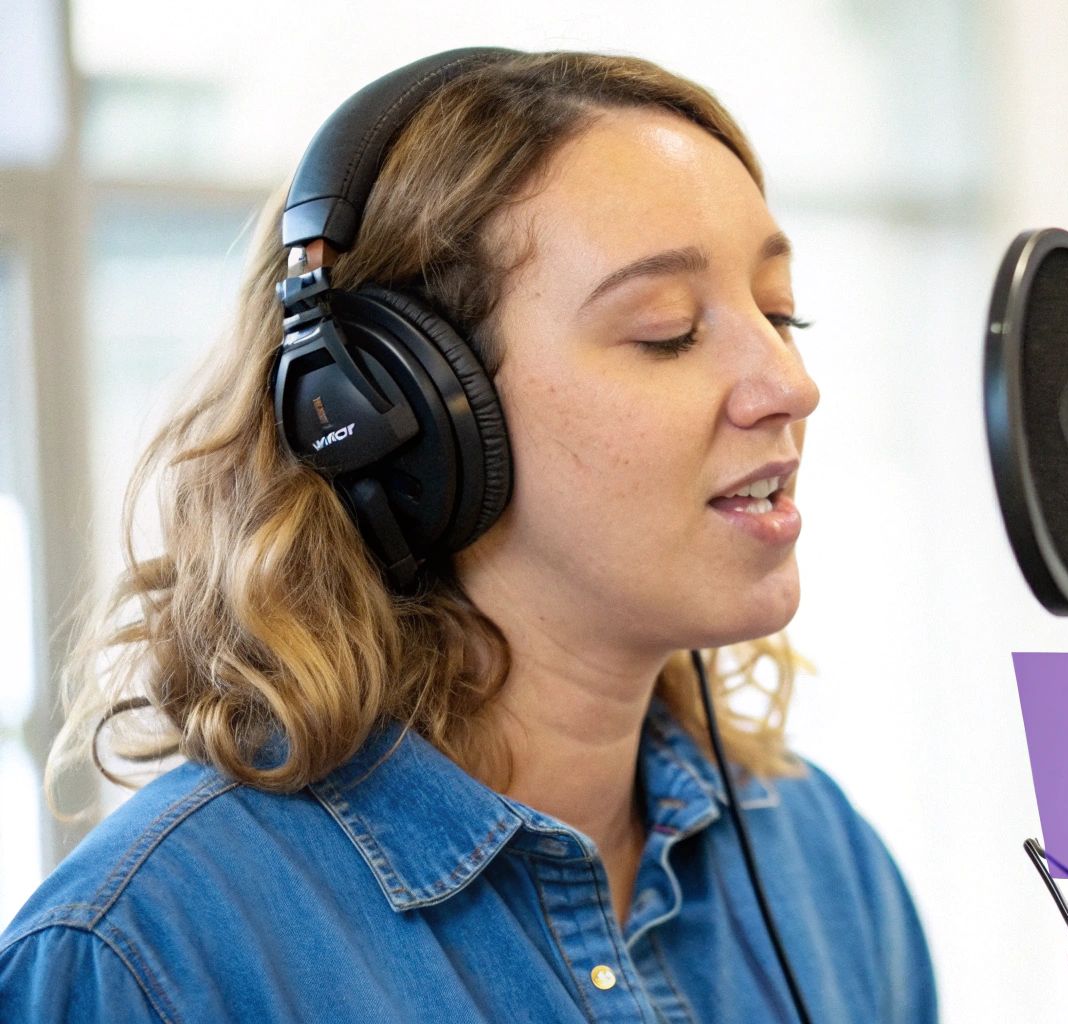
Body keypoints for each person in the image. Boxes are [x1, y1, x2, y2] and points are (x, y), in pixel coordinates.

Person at [0, 49, 938, 1023]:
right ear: (393, 415)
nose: (789, 385)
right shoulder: (145, 955)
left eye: (782, 314)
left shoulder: (824, 862)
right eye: (666, 331)